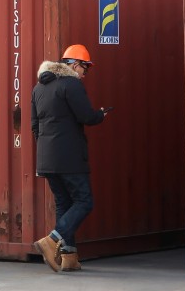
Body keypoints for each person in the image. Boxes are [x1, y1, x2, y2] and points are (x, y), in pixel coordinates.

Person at [30, 44, 109, 272]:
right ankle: (51, 239)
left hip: (46, 157)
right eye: (85, 68)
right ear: (75, 65)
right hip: (70, 156)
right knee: (84, 201)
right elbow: (86, 116)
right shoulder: (71, 84)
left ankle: (69, 256)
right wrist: (100, 115)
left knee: (64, 203)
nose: (85, 74)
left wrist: (47, 148)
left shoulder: (38, 88)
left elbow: (34, 126)